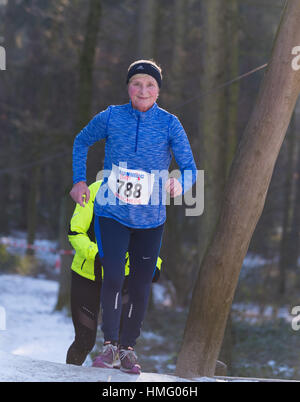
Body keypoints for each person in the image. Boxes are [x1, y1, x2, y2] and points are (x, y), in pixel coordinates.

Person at [70, 59, 197, 374]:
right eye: (137, 84)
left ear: (158, 90)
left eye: (150, 84)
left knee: (140, 285)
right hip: (111, 212)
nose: (143, 90)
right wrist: (79, 180)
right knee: (113, 277)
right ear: (128, 87)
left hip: (151, 219)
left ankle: (127, 350)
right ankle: (109, 346)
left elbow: (191, 168)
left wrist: (180, 183)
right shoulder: (111, 116)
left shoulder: (170, 124)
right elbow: (81, 141)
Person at [66, 179, 162, 367]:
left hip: (123, 280)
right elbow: (75, 231)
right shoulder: (94, 190)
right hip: (87, 278)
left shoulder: (145, 196)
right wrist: (99, 255)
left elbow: (151, 240)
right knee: (84, 341)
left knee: (120, 347)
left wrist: (155, 264)